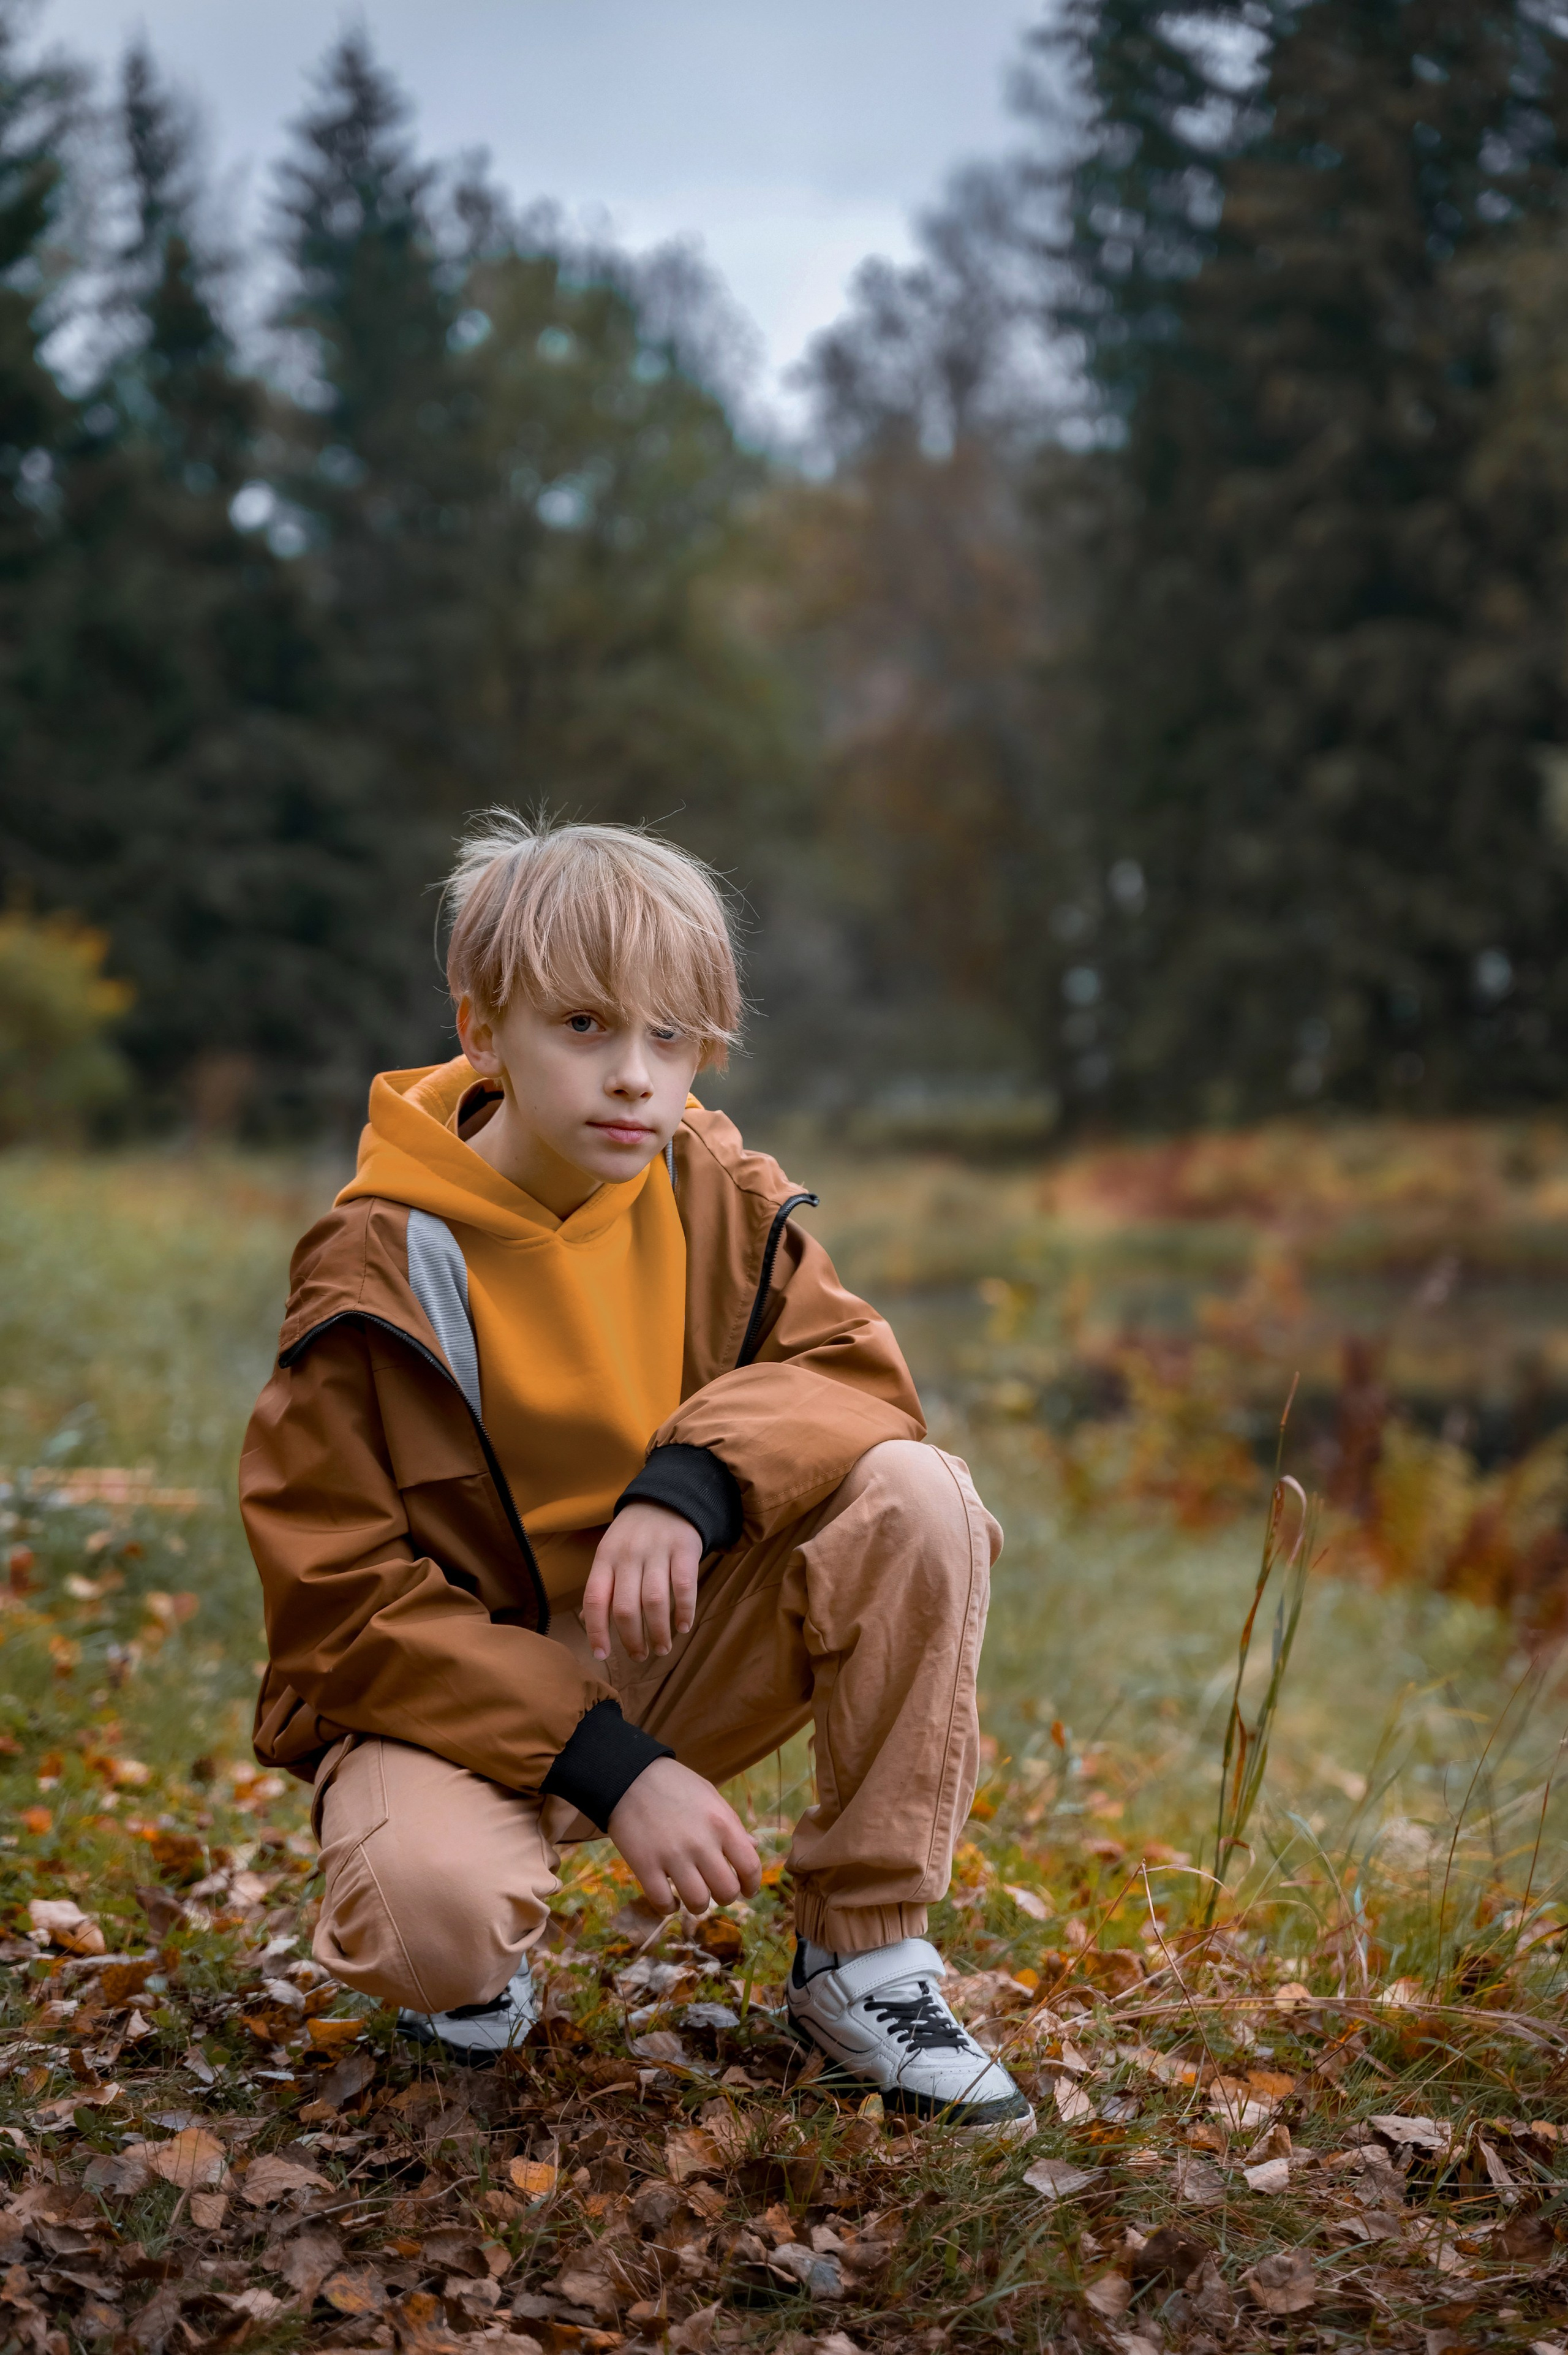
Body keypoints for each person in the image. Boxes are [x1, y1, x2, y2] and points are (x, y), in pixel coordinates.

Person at [239, 814, 1030, 2134]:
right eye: (586, 1027)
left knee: (918, 1495)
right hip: (456, 1697)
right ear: (482, 1029)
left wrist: (688, 1483)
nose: (633, 1079)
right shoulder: (378, 1260)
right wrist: (607, 1763)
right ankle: (469, 1984)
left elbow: (853, 1379)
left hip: (664, 1638)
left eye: (670, 1037)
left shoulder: (709, 1186)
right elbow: (339, 1600)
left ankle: (864, 1956)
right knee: (430, 1922)